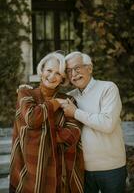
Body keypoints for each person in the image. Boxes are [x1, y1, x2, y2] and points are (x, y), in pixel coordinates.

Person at [9, 51, 84, 193]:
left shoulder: (69, 100)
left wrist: (41, 132)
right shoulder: (26, 94)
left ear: (62, 78)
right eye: (49, 70)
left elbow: (73, 133)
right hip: (28, 171)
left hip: (59, 172)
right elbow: (32, 119)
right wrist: (55, 103)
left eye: (58, 73)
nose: (51, 76)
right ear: (41, 71)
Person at [58, 51, 127, 193]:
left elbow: (107, 124)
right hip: (83, 169)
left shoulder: (108, 88)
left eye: (77, 68)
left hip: (111, 168)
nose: (74, 74)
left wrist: (76, 113)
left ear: (89, 68)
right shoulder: (70, 97)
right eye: (69, 71)